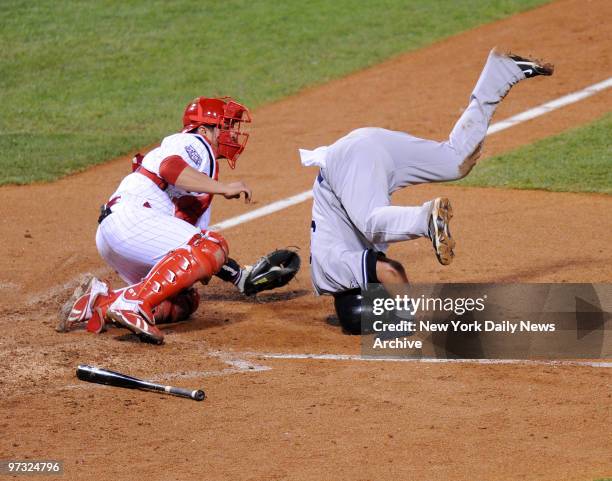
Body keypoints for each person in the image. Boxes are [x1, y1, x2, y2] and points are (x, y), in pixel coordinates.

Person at [299, 49, 554, 334]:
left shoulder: (331, 275)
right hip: (367, 146)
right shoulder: (350, 262)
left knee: (372, 224)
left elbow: (391, 271)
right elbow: (391, 269)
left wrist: (406, 322)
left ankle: (424, 219)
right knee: (455, 161)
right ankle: (500, 73)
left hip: (352, 158)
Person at [58, 96, 299, 344]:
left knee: (184, 300)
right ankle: (133, 303)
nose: (231, 134)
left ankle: (101, 301)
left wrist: (238, 276)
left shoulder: (201, 176)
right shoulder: (195, 143)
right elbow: (169, 168)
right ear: (204, 129)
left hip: (122, 233)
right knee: (212, 244)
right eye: (225, 127)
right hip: (132, 220)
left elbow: (192, 253)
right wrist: (222, 187)